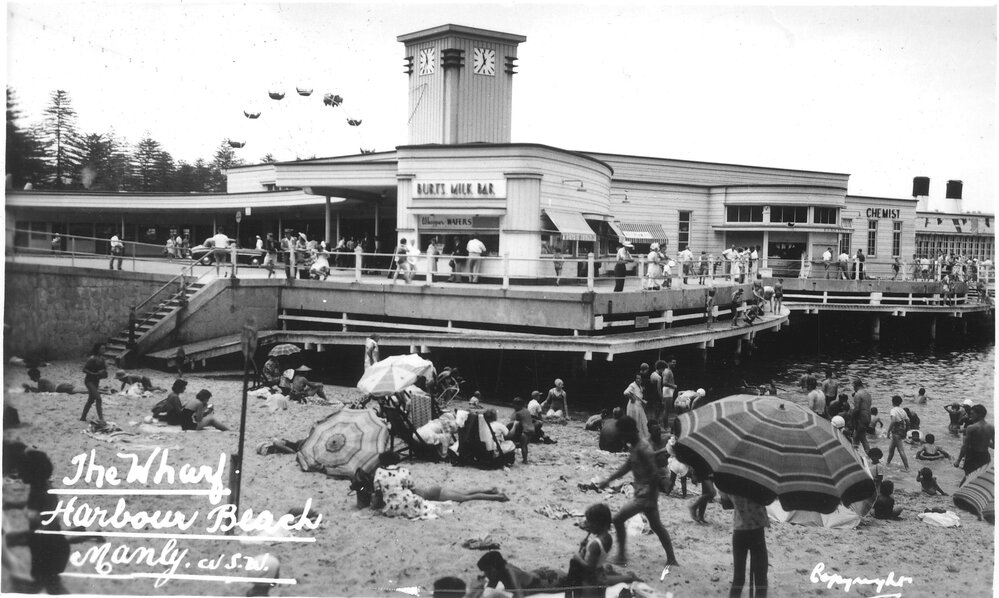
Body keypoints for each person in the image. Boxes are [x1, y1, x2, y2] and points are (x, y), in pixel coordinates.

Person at [595, 415, 679, 568]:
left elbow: (654, 474)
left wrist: (649, 497)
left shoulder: (642, 448)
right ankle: (671, 559)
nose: (620, 436)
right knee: (657, 527)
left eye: (622, 433)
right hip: (646, 494)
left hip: (644, 495)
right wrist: (608, 480)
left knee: (618, 520)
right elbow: (627, 466)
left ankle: (621, 557)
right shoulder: (635, 446)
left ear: (629, 432)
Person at [722, 492, 769, 598]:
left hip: (740, 530)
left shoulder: (731, 484)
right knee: (761, 578)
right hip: (757, 530)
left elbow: (725, 504)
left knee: (738, 578)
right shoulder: (759, 482)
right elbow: (768, 500)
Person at [955, 404, 994, 485]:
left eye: (972, 414)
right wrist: (985, 442)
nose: (970, 416)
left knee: (968, 477)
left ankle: (960, 493)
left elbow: (965, 446)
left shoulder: (971, 428)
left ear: (979, 414)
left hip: (972, 457)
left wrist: (958, 460)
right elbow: (994, 446)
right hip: (985, 457)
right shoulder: (991, 427)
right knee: (980, 480)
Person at [81, 342, 108, 421]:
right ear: (98, 349)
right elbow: (84, 369)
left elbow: (104, 374)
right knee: (98, 398)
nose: (104, 350)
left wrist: (103, 373)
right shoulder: (92, 358)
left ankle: (83, 417)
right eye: (102, 348)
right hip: (89, 381)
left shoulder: (103, 359)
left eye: (104, 348)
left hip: (96, 381)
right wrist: (95, 374)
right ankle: (101, 418)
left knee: (91, 400)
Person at [508, 397, 537, 464]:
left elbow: (515, 423)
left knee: (522, 446)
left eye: (514, 405)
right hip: (532, 429)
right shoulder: (527, 410)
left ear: (518, 405)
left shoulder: (518, 413)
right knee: (525, 445)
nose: (513, 407)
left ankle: (525, 460)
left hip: (525, 431)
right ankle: (525, 459)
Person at [886, 395, 910, 472]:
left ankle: (907, 468)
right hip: (902, 430)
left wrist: (888, 431)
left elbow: (893, 421)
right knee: (891, 448)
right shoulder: (903, 410)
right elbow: (908, 421)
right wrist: (906, 431)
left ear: (893, 402)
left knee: (900, 450)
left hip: (896, 431)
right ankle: (887, 463)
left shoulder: (893, 410)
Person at [623, 373, 648, 443]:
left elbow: (639, 395)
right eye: (637, 378)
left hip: (639, 406)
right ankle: (632, 439)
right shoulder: (632, 385)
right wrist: (631, 398)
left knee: (641, 422)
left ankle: (639, 438)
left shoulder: (640, 386)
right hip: (633, 407)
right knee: (634, 422)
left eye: (639, 378)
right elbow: (625, 392)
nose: (638, 380)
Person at [851, 378, 873, 453]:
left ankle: (869, 456)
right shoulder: (867, 394)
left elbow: (857, 409)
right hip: (867, 416)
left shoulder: (858, 394)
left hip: (861, 418)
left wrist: (852, 417)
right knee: (856, 436)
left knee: (863, 438)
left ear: (855, 386)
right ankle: (856, 453)